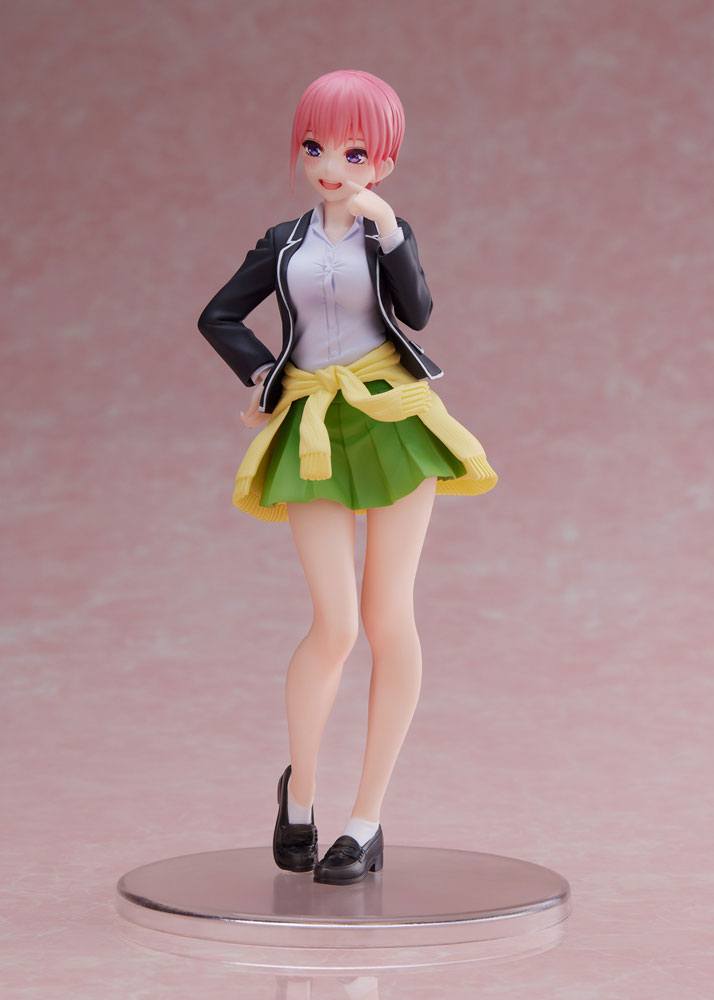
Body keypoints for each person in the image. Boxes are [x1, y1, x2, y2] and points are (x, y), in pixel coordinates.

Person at [197, 69, 498, 885]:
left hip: (393, 418)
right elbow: (218, 315)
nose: (331, 166)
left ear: (384, 162)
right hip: (315, 426)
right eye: (316, 147)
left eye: (354, 152)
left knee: (388, 617)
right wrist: (263, 378)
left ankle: (366, 819)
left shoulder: (384, 234)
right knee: (333, 625)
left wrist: (391, 231)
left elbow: (419, 311)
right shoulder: (283, 241)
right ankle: (300, 791)